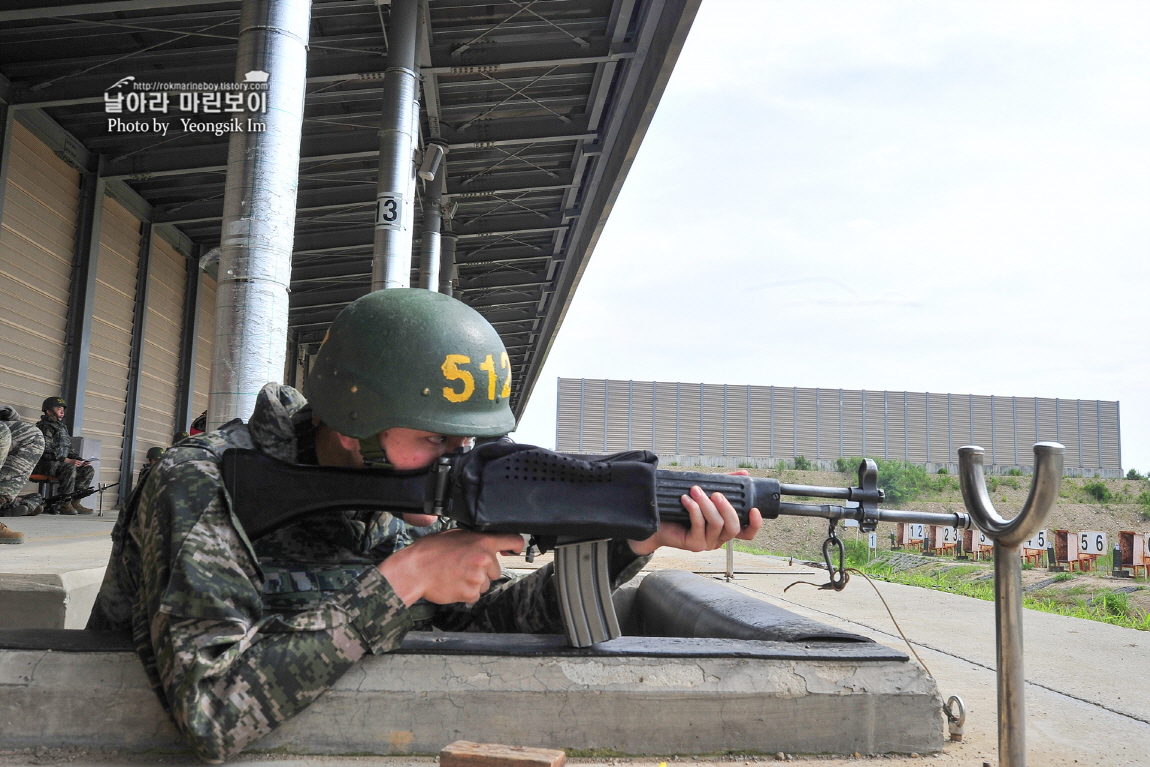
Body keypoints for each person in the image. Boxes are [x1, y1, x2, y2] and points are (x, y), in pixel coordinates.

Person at [87, 289, 764, 763]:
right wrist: (406, 575)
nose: (456, 458)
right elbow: (211, 712)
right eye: (435, 437)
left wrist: (629, 542)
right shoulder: (205, 482)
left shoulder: (386, 490)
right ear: (354, 425)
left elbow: (485, 623)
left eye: (466, 441)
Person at [34, 396, 95, 515]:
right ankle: (64, 503)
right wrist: (66, 460)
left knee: (87, 470)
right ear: (49, 411)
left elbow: (70, 451)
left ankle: (75, 502)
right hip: (44, 464)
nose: (62, 412)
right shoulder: (44, 426)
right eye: (58, 409)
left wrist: (80, 460)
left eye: (63, 409)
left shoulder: (62, 428)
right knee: (69, 467)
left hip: (60, 463)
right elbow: (45, 450)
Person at [0, 405, 46, 521]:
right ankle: (17, 505)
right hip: (50, 464)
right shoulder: (47, 425)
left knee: (32, 434)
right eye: (58, 409)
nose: (62, 412)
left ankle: (3, 499)